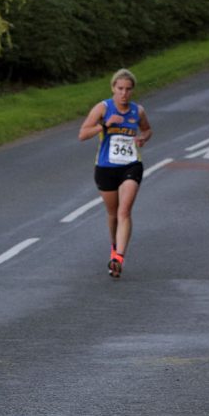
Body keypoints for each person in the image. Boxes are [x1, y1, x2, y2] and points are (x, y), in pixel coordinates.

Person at [77, 69, 152, 278]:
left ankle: (119, 257)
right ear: (113, 88)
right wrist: (104, 125)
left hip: (131, 165)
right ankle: (114, 245)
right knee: (112, 214)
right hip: (105, 167)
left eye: (128, 89)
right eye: (120, 89)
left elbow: (147, 130)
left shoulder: (138, 111)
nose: (124, 94)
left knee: (124, 211)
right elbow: (82, 134)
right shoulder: (103, 108)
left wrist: (143, 138)